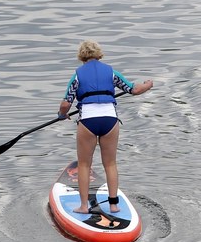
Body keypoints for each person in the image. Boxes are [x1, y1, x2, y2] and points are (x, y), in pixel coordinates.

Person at [57, 41, 153, 214]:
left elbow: (66, 103)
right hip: (110, 120)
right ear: (99, 54)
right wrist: (147, 84)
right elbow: (134, 90)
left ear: (81, 56)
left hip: (88, 122)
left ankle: (84, 206)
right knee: (110, 164)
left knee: (85, 165)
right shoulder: (111, 73)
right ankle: (114, 205)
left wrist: (62, 114)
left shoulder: (77, 76)